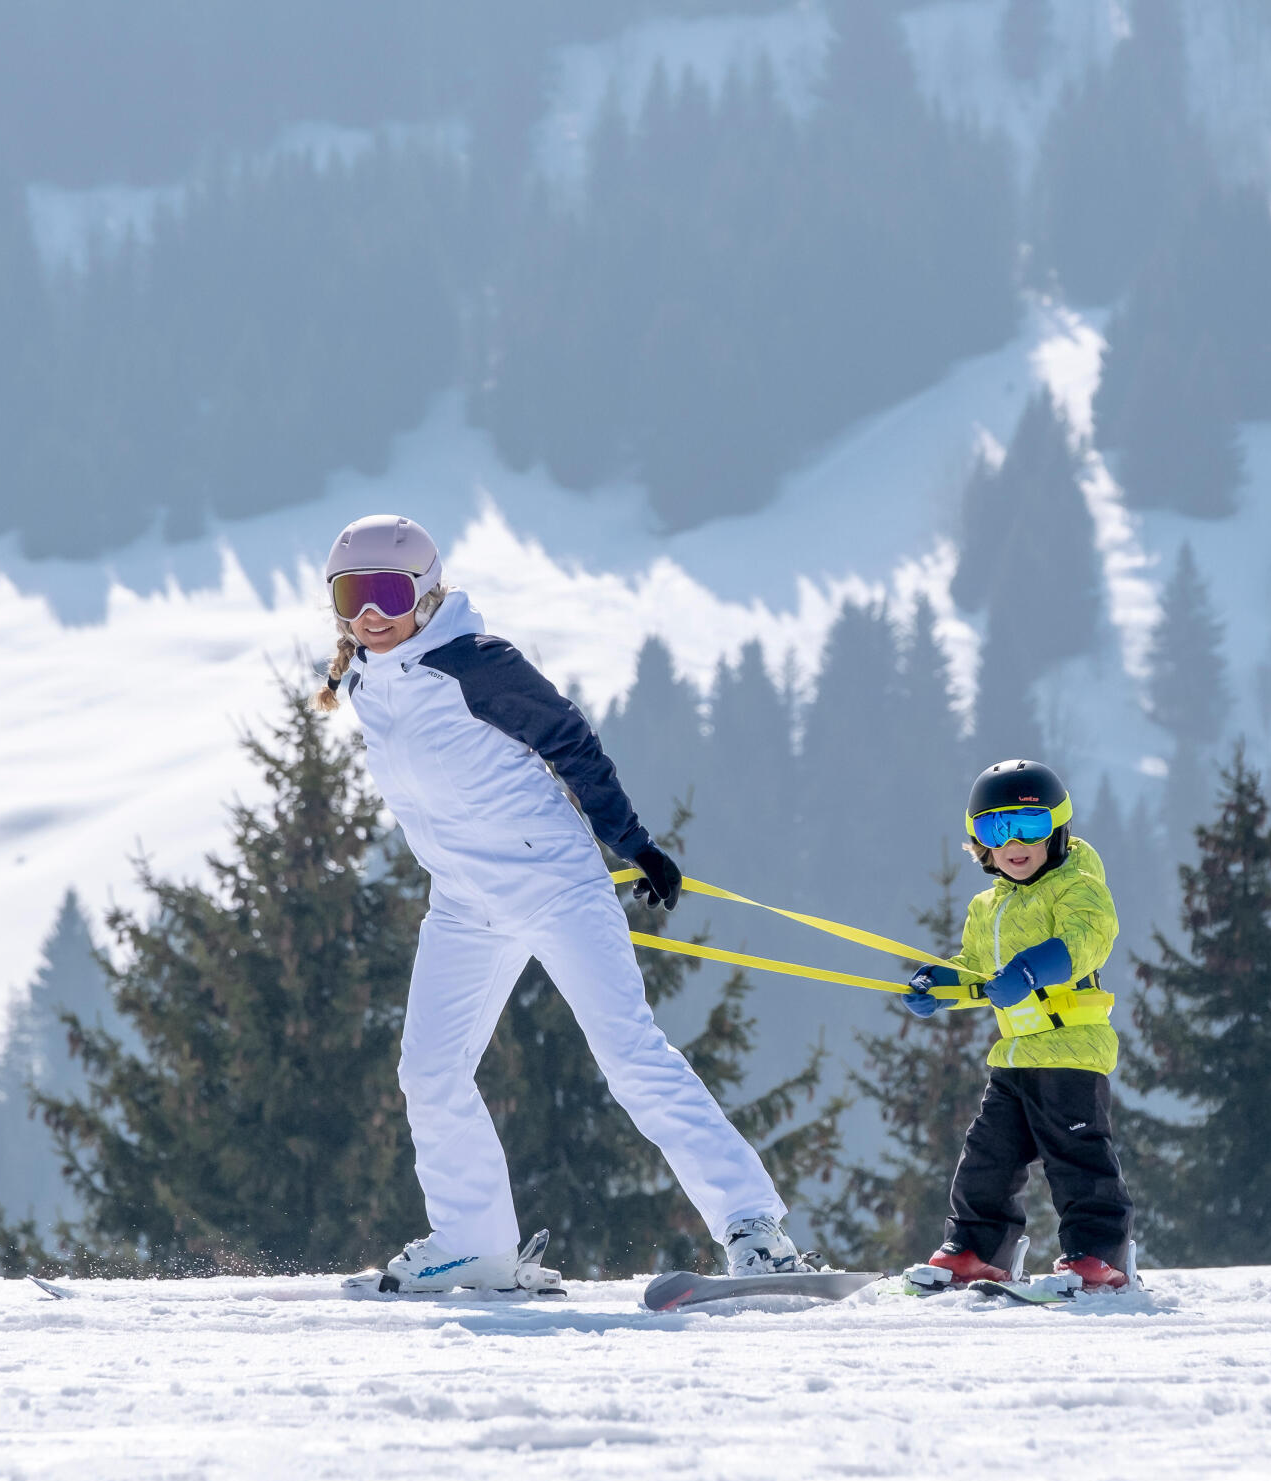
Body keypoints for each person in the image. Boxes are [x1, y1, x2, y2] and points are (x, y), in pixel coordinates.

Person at [314, 514, 809, 1289]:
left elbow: (570, 742)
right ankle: (474, 1243)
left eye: (386, 591)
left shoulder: (476, 664)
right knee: (430, 1070)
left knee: (631, 1055)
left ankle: (756, 1230)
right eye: (352, 595)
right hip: (465, 903)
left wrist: (633, 843)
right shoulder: (366, 680)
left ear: (427, 591)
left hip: (553, 885)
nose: (369, 613)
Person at [902, 759, 1135, 1289]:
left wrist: (1032, 969)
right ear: (979, 842)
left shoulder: (1077, 886)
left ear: (1056, 828)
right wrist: (938, 987)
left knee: (1077, 1158)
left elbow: (1086, 940)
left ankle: (1098, 1256)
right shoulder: (989, 906)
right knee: (987, 1158)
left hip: (1072, 1050)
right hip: (1015, 1057)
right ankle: (975, 1251)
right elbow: (977, 974)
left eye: (1028, 827)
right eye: (996, 829)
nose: (1014, 843)